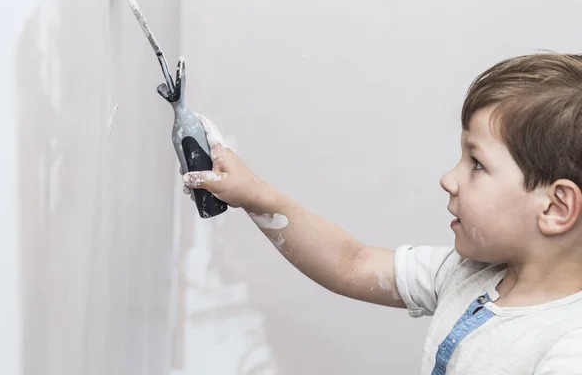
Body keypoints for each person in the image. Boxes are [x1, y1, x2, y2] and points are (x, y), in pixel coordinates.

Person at [180, 53, 582, 374]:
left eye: (476, 163)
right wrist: (254, 194)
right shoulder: (467, 272)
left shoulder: (568, 348)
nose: (448, 179)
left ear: (555, 207)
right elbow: (350, 263)